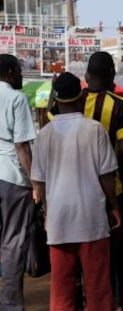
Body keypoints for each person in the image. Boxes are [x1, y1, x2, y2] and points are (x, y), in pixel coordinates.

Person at [48, 51, 123, 308]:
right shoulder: (119, 104)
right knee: (115, 251)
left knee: (71, 254)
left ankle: (77, 300)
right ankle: (120, 297)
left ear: (86, 76)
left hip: (69, 188)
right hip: (112, 187)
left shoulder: (63, 105)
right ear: (111, 76)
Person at [31, 72, 121, 311]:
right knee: (98, 287)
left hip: (59, 221)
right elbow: (107, 176)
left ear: (55, 99)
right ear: (82, 96)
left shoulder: (44, 134)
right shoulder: (95, 130)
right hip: (91, 218)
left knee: (62, 289)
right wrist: (113, 206)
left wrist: (48, 215)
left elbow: (39, 183)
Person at [0, 54, 37, 311]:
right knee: (13, 242)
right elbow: (22, 145)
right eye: (20, 70)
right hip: (12, 177)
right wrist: (36, 184)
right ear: (12, 72)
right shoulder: (16, 98)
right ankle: (11, 305)